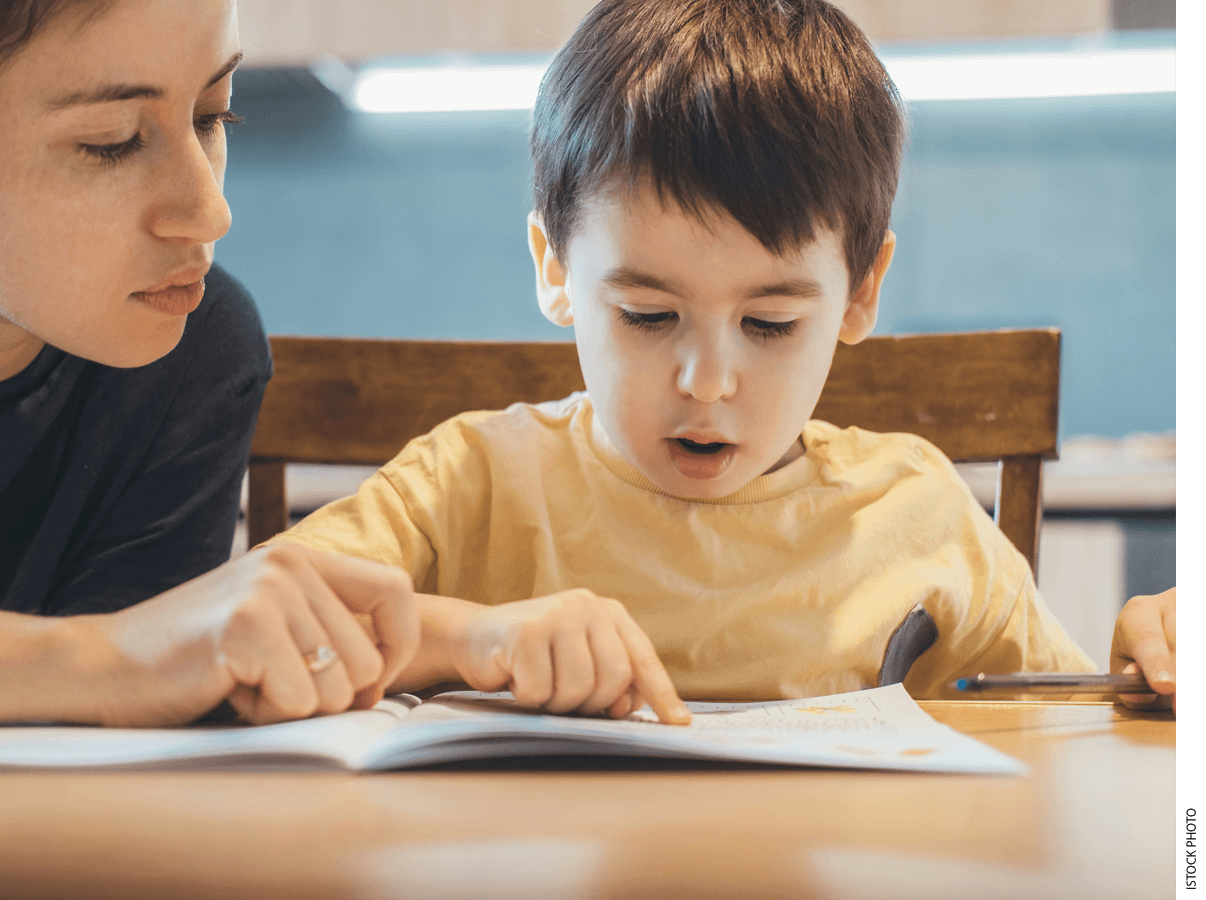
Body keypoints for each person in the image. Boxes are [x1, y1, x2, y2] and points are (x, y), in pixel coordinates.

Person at [275, 0, 1177, 721]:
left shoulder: (918, 517)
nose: (707, 382)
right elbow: (259, 620)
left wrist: (1141, 669)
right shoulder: (467, 486)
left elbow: (1060, 729)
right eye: (647, 314)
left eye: (772, 323)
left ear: (862, 291)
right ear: (555, 270)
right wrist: (473, 640)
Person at [0, 0, 417, 730]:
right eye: (113, 142)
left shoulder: (193, 347)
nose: (210, 211)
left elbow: (108, 737)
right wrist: (105, 658)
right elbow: (126, 670)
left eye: (212, 115)